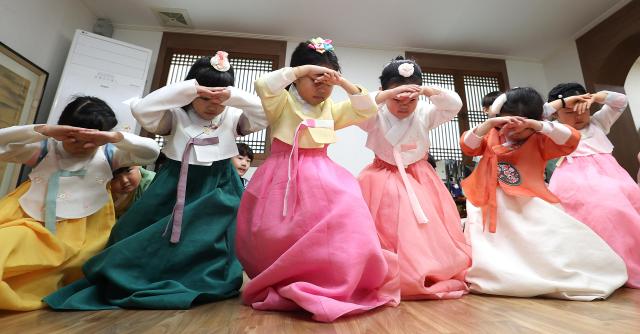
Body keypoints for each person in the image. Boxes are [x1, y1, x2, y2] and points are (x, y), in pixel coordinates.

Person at [44, 51, 267, 310]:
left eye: (218, 99)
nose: (211, 105)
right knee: (140, 232)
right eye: (203, 98)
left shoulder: (233, 117)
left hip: (219, 184)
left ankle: (201, 279)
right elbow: (143, 109)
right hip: (174, 183)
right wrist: (190, 88)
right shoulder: (175, 115)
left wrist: (233, 95)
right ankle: (136, 275)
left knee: (210, 239)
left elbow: (265, 114)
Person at [235, 38, 398, 322]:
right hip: (282, 174)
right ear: (297, 77)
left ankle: (332, 281)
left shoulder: (331, 110)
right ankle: (288, 279)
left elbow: (364, 109)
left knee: (349, 212)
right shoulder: (280, 102)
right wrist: (301, 70)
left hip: (324, 173)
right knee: (276, 232)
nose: (322, 87)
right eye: (314, 79)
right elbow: (264, 85)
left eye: (328, 82)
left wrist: (344, 83)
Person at [461, 87, 627, 300]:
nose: (512, 132)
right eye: (506, 124)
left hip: (528, 198)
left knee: (541, 238)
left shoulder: (541, 138)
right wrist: (489, 124)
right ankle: (500, 273)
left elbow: (570, 139)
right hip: (487, 199)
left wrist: (539, 125)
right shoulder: (492, 133)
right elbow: (468, 146)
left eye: (522, 127)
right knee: (492, 244)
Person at [0, 96, 159, 310]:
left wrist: (114, 137)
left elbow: (151, 152)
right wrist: (43, 130)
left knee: (55, 272)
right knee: (9, 242)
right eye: (74, 138)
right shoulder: (46, 149)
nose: (84, 145)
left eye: (93, 140)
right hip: (30, 216)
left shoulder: (111, 154)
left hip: (84, 228)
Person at [357, 56, 471, 300]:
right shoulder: (374, 115)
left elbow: (454, 105)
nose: (404, 104)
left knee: (423, 229)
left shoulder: (425, 113)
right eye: (396, 98)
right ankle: (386, 272)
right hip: (381, 177)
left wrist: (428, 91)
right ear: (384, 93)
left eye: (412, 99)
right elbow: (357, 109)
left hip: (419, 177)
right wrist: (384, 96)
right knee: (385, 228)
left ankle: (426, 270)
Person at [545, 83, 640, 288]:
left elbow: (620, 101)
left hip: (612, 174)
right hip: (574, 179)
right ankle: (605, 265)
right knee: (601, 216)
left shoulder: (598, 123)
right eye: (569, 112)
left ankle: (630, 261)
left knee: (631, 211)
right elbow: (538, 115)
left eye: (583, 110)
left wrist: (595, 98)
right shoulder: (554, 129)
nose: (578, 116)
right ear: (557, 114)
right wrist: (564, 102)